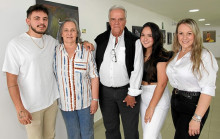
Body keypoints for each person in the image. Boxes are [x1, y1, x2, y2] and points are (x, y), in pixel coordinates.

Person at [2, 4, 59, 139]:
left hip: (51, 102)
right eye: (37, 18)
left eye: (45, 19)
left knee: (50, 136)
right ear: (28, 21)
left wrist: (85, 43)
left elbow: (69, 47)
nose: (41, 22)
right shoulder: (16, 44)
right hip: (31, 106)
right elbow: (11, 81)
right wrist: (20, 109)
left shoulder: (51, 41)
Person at [94, 5, 143, 139]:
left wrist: (132, 93)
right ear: (109, 21)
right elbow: (94, 64)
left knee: (130, 130)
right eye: (113, 19)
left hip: (127, 92)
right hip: (105, 93)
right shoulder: (100, 39)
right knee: (110, 129)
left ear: (125, 21)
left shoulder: (134, 41)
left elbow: (137, 69)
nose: (116, 22)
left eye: (120, 19)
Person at [166, 18, 218, 139]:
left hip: (192, 104)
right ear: (176, 35)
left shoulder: (204, 55)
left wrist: (197, 118)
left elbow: (208, 89)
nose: (185, 37)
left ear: (196, 34)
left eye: (189, 33)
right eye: (181, 33)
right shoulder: (176, 53)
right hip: (176, 101)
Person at [54, 18, 99, 139]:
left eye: (73, 30)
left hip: (85, 103)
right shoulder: (55, 52)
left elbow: (94, 77)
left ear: (77, 33)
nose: (69, 33)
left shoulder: (86, 51)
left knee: (87, 134)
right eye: (66, 30)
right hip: (66, 105)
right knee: (73, 135)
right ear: (61, 33)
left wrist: (95, 100)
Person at [140, 22, 172, 139]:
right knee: (153, 134)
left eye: (149, 35)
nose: (145, 38)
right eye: (143, 35)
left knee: (149, 136)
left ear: (156, 37)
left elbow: (162, 84)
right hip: (143, 96)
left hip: (158, 97)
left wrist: (151, 107)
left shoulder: (162, 55)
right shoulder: (140, 53)